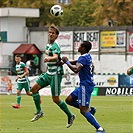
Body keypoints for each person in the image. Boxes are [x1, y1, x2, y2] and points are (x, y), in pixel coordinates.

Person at [30, 25, 75, 128]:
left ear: (56, 35)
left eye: (53, 33)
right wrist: (46, 69)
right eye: (49, 32)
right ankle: (39, 112)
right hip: (48, 73)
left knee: (55, 99)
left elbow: (55, 57)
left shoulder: (55, 45)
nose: (50, 34)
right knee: (34, 89)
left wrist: (48, 59)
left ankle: (70, 115)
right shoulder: (48, 45)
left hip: (55, 74)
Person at [62, 41, 106, 133]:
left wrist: (66, 62)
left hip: (85, 86)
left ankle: (100, 129)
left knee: (83, 110)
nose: (78, 46)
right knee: (69, 100)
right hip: (85, 85)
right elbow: (77, 62)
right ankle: (90, 109)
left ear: (83, 48)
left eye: (80, 46)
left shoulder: (83, 58)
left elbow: (76, 69)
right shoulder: (86, 56)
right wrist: (66, 62)